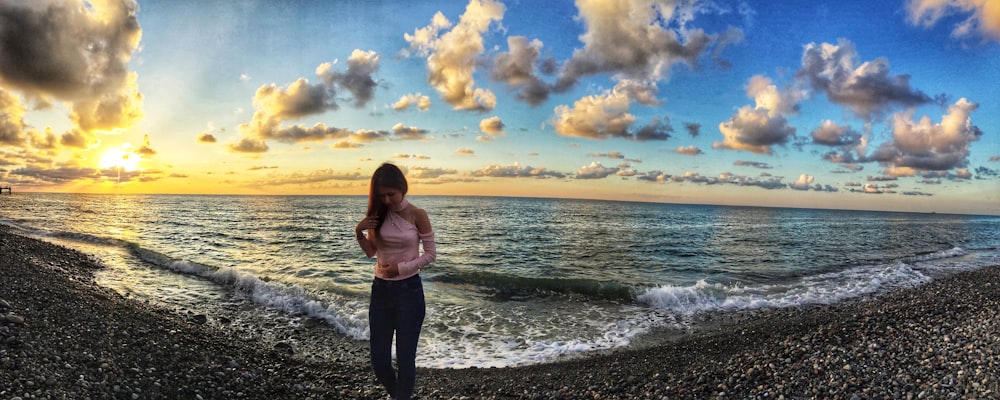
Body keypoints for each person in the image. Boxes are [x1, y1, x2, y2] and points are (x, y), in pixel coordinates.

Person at [354, 163, 436, 400]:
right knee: (379, 362)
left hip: (409, 291)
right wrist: (359, 232)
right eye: (381, 195)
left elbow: (430, 255)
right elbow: (371, 252)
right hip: (380, 291)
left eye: (391, 194)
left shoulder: (417, 214)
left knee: (405, 359)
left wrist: (401, 268)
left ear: (402, 188)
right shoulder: (377, 215)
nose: (387, 200)